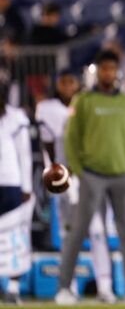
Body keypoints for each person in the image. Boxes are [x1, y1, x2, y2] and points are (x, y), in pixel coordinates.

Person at [55, 50, 125, 305]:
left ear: (117, 72)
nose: (108, 73)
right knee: (79, 231)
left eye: (111, 68)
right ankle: (64, 288)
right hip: (92, 176)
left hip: (122, 175)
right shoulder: (83, 100)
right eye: (103, 68)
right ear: (96, 71)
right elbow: (71, 138)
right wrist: (79, 170)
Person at [36, 70, 115, 303]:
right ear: (57, 84)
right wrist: (57, 174)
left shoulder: (91, 104)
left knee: (98, 231)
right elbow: (48, 144)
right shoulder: (48, 108)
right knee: (70, 234)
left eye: (72, 81)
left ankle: (105, 285)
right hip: (66, 173)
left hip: (90, 174)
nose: (69, 86)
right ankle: (68, 287)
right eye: (64, 82)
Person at [0, 73, 32, 305]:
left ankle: (13, 287)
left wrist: (27, 185)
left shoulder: (15, 117)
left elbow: (25, 154)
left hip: (11, 182)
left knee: (15, 235)